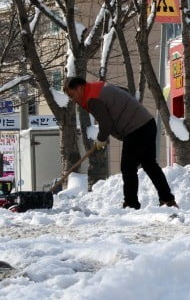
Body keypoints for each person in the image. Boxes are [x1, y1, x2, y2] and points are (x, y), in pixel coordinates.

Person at [63, 77, 177, 210]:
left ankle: (131, 203)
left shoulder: (92, 98)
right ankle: (167, 200)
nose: (73, 99)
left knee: (128, 167)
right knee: (150, 165)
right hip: (147, 123)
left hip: (136, 129)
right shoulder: (99, 87)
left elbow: (106, 124)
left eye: (72, 95)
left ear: (79, 88)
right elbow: (124, 91)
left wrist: (101, 138)